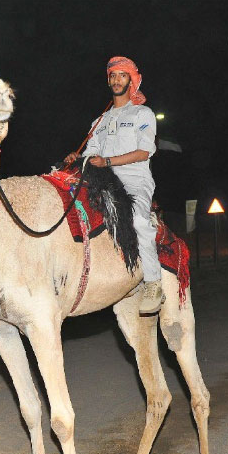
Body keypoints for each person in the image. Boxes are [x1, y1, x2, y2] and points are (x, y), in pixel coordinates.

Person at [65, 56, 163, 314]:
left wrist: (107, 161)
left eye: (122, 75)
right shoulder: (100, 120)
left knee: (139, 221)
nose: (116, 79)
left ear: (131, 80)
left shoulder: (143, 113)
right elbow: (92, 152)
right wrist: (79, 157)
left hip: (134, 179)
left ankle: (153, 282)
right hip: (103, 179)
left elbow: (145, 151)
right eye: (113, 75)